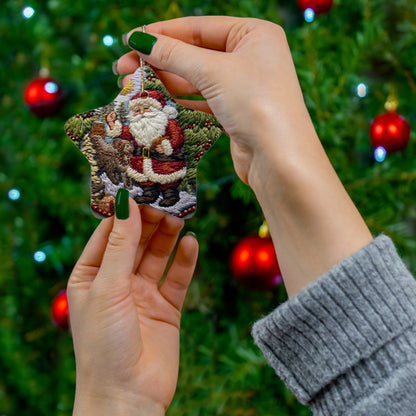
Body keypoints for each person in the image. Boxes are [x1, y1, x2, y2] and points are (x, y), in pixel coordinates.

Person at [67, 16, 416, 416]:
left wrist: (113, 401)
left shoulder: (173, 132)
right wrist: (120, 400)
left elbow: (392, 384)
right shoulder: (111, 129)